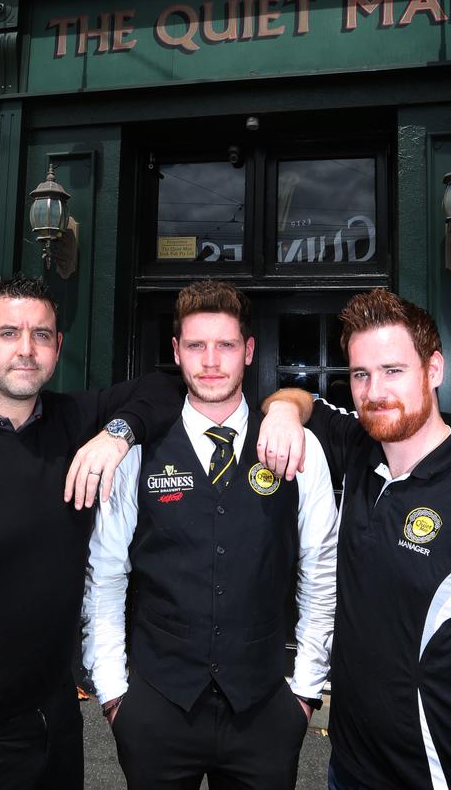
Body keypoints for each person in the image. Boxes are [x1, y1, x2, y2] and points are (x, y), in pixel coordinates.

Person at [257, 288, 451, 790]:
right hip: (348, 770)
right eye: (360, 374)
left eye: (393, 371)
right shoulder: (358, 447)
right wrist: (281, 413)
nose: (374, 391)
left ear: (433, 369)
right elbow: (298, 399)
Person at [0, 273, 181, 790]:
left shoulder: (75, 421)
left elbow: (164, 387)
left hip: (55, 728)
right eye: (9, 333)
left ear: (57, 348)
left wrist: (116, 436)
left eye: (42, 335)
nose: (26, 350)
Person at [82, 280, 337, 790]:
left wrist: (305, 693)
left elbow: (321, 569)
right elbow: (106, 573)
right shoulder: (138, 452)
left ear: (248, 351)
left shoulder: (298, 447)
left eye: (225, 345)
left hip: (265, 708)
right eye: (196, 346)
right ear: (177, 352)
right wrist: (113, 695)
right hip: (157, 706)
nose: (211, 361)